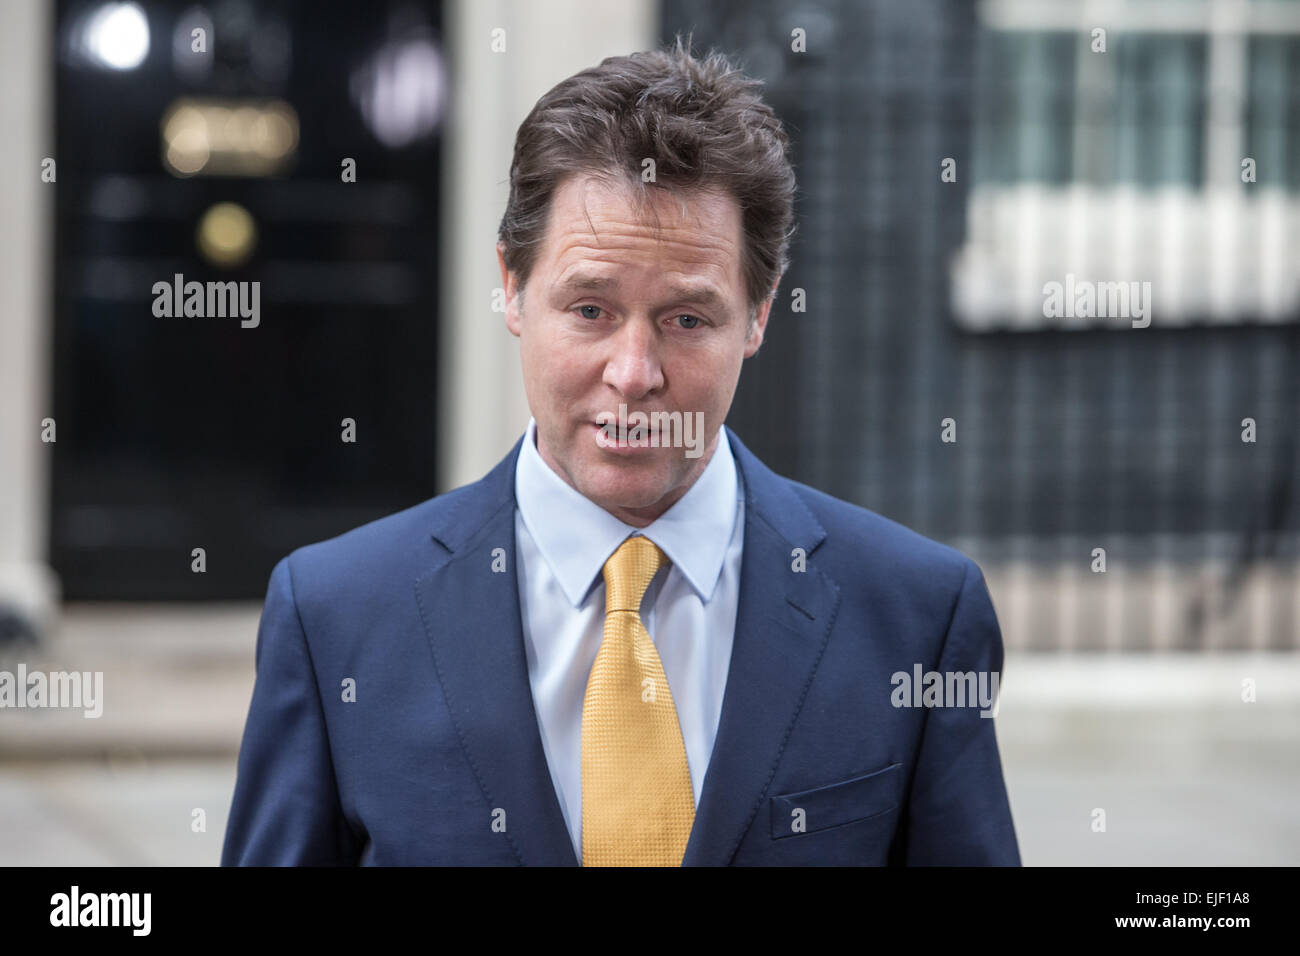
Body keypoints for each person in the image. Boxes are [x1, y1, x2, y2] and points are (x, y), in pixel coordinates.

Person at [222, 37, 1020, 866]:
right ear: (511, 286)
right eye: (592, 308)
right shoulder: (335, 618)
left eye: (687, 319)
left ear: (758, 315)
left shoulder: (918, 617)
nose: (634, 375)